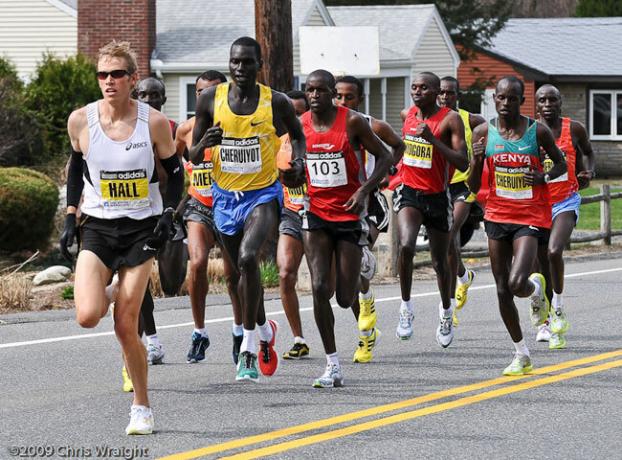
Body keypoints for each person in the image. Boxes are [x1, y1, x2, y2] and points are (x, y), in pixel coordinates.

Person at [60, 41, 183, 434]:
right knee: (86, 315)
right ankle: (111, 289)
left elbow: (175, 172)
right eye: (102, 74)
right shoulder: (81, 120)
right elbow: (76, 169)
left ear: (132, 78)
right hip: (97, 226)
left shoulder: (153, 123)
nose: (108, 81)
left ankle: (141, 407)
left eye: (116, 74)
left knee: (125, 325)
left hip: (140, 229)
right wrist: (69, 218)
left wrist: (168, 213)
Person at [190, 37, 306, 382]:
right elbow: (193, 155)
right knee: (241, 276)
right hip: (224, 197)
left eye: (247, 62)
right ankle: (266, 330)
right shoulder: (211, 99)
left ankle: (249, 348)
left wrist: (298, 161)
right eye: (235, 62)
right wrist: (204, 144)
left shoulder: (276, 102)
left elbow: (298, 135)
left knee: (246, 258)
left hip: (262, 194)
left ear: (259, 65)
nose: (240, 69)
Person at [468, 76, 566, 375]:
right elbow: (473, 185)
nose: (506, 103)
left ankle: (536, 287)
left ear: (522, 101)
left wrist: (544, 177)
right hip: (497, 215)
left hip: (530, 216)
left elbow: (560, 164)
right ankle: (521, 352)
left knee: (516, 282)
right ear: (494, 99)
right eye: (501, 97)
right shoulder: (484, 133)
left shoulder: (538, 132)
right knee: (501, 289)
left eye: (512, 98)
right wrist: (475, 160)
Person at [302, 69, 392, 387]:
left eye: (321, 90)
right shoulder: (300, 125)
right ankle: (332, 364)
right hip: (315, 215)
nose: (315, 96)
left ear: (331, 92)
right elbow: (295, 163)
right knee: (318, 288)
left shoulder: (352, 122)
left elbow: (386, 155)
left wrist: (363, 190)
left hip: (349, 215)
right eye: (309, 90)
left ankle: (360, 275)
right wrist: (291, 175)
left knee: (342, 296)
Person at [174, 71, 246, 365]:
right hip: (199, 207)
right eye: (202, 92)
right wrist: (173, 203)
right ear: (197, 96)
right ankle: (199, 332)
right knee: (199, 263)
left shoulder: (237, 124)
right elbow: (175, 161)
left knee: (233, 276)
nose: (208, 96)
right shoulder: (185, 129)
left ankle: (239, 331)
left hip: (231, 205)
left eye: (214, 91)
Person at [393, 72, 468, 348]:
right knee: (406, 246)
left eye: (424, 87)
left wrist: (433, 141)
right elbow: (403, 147)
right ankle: (405, 308)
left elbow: (463, 163)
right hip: (409, 191)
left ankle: (446, 311)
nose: (417, 91)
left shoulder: (450, 119)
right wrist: (394, 163)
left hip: (438, 196)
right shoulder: (407, 115)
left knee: (440, 262)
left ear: (437, 91)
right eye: (414, 87)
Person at [334, 75, 405, 363]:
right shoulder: (326, 125)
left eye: (348, 97)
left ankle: (365, 265)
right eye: (338, 95)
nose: (342, 101)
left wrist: (383, 176)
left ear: (359, 100)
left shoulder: (373, 126)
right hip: (338, 205)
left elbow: (397, 147)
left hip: (370, 204)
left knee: (358, 261)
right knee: (345, 280)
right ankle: (366, 329)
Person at [534, 84, 596, 349]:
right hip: (537, 204)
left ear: (560, 102)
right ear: (535, 105)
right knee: (539, 268)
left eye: (552, 99)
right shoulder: (530, 131)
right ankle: (546, 321)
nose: (547, 104)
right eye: (542, 100)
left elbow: (589, 153)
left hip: (565, 201)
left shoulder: (574, 129)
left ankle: (557, 306)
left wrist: (589, 172)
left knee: (554, 251)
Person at [438, 76, 486, 327]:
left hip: (463, 187)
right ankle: (463, 276)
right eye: (442, 93)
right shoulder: (431, 119)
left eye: (450, 93)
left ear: (458, 95)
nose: (446, 97)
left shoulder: (472, 120)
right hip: (438, 186)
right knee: (448, 244)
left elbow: (488, 143)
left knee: (448, 235)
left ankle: (447, 309)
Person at [136, 77, 186, 298]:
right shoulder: (125, 129)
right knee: (136, 282)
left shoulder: (174, 129)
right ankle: (144, 329)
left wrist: (178, 208)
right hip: (137, 210)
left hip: (168, 209)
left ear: (164, 99)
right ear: (136, 97)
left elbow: (191, 167)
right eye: (143, 95)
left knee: (171, 284)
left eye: (155, 95)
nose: (149, 100)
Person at [277, 90, 312, 359]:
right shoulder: (278, 143)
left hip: (322, 214)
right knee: (286, 273)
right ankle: (298, 339)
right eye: (291, 114)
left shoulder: (318, 138)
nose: (295, 118)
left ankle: (364, 320)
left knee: (331, 287)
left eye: (300, 113)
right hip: (291, 213)